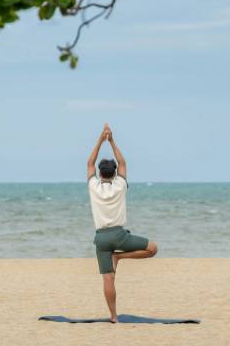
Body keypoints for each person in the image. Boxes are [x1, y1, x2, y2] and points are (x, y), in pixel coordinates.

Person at [86, 123, 158, 323]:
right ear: (115, 173)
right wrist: (112, 140)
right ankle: (121, 257)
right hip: (120, 236)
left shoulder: (93, 186)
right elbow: (123, 162)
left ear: (100, 174)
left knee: (108, 279)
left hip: (101, 238)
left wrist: (100, 140)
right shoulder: (120, 185)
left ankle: (113, 316)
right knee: (153, 249)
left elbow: (89, 163)